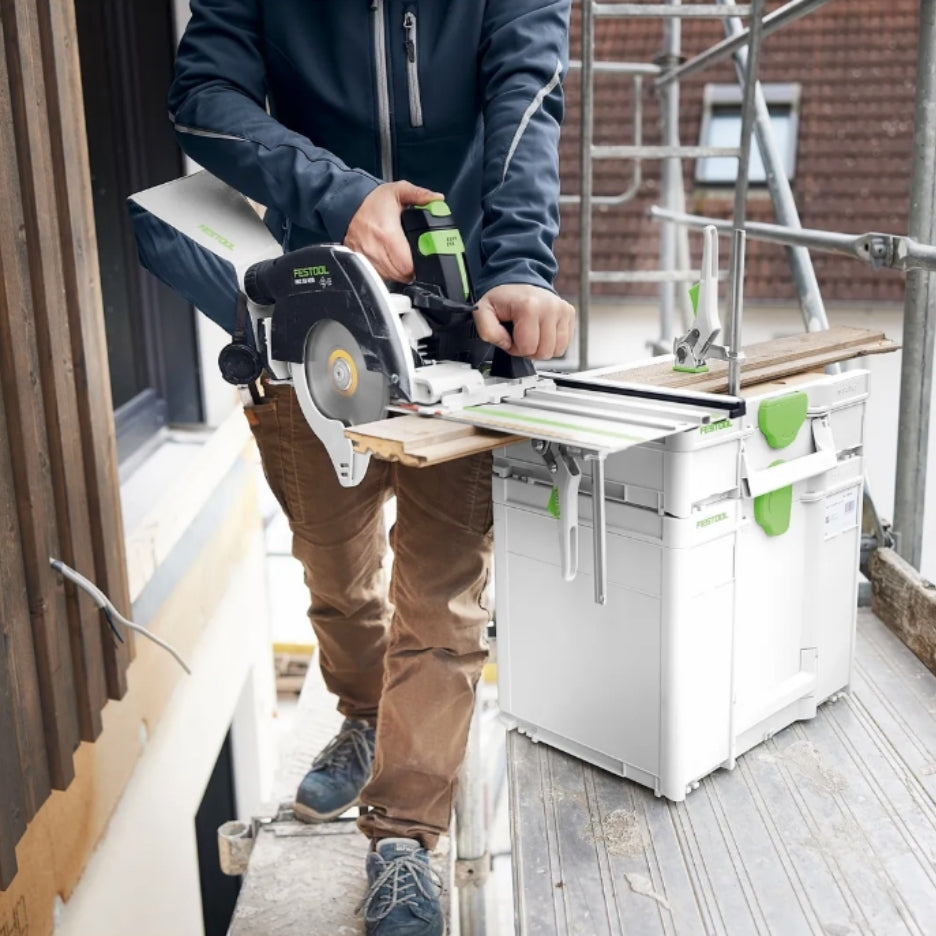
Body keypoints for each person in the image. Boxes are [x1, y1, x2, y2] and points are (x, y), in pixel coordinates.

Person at [169, 2, 573, 933]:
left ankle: (402, 835)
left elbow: (527, 99)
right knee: (335, 568)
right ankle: (361, 714)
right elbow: (203, 96)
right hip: (310, 311)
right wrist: (340, 192)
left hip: (464, 315)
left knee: (443, 596)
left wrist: (518, 262)